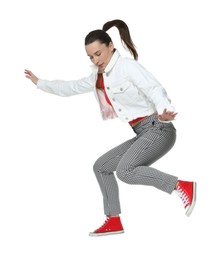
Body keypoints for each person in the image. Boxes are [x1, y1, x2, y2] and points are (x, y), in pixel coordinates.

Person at [24, 19, 197, 237]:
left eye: (98, 53)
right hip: (143, 132)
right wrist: (40, 83)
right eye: (90, 56)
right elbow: (71, 87)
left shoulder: (127, 67)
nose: (96, 60)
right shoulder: (99, 77)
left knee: (125, 171)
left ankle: (181, 186)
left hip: (158, 127)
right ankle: (113, 219)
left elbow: (153, 88)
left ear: (110, 46)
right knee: (101, 166)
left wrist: (165, 110)